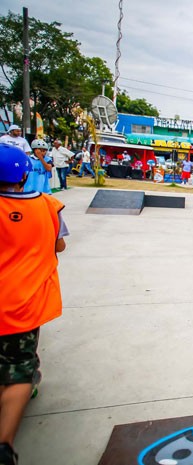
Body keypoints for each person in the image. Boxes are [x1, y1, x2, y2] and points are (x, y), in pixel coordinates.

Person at [0, 144, 68, 465]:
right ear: (25, 175)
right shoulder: (48, 206)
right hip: (22, 306)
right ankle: (4, 446)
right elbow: (60, 244)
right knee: (19, 373)